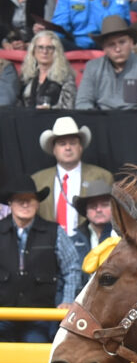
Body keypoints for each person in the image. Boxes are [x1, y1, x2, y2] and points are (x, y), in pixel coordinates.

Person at [0, 175, 79, 343]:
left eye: (30, 199)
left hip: (40, 317)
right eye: (19, 199)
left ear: (38, 203)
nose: (25, 204)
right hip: (2, 316)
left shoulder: (54, 232)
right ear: (10, 204)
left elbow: (72, 267)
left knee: (38, 359)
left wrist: (68, 300)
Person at [31, 115, 114, 231]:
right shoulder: (37, 180)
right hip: (49, 244)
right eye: (62, 144)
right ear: (54, 150)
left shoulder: (102, 176)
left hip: (89, 241)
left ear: (80, 147)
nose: (68, 148)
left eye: (73, 143)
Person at [75, 15, 137, 110]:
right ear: (104, 48)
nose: (117, 49)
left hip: (134, 120)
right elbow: (82, 102)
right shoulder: (92, 67)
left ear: (131, 43)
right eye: (111, 44)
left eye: (122, 42)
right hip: (100, 120)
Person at [69, 178, 116, 289]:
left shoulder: (124, 238)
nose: (98, 209)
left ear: (114, 208)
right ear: (86, 211)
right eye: (93, 206)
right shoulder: (73, 241)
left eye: (104, 205)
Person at [18, 30, 77, 109]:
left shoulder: (66, 76)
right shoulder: (26, 76)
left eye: (49, 48)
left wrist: (50, 109)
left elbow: (69, 106)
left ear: (56, 51)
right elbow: (18, 104)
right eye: (40, 47)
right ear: (33, 50)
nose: (44, 51)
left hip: (54, 118)